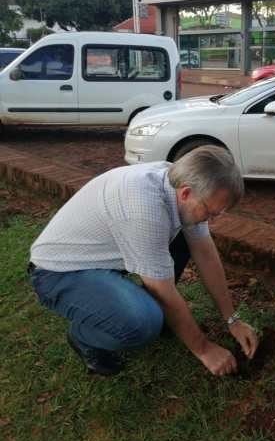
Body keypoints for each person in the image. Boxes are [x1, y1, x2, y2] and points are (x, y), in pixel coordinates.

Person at [29, 146, 259, 377]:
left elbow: (205, 253)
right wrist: (204, 349)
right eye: (210, 212)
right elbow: (162, 291)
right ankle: (84, 337)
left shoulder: (181, 181)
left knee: (184, 239)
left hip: (103, 257)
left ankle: (156, 316)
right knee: (142, 322)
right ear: (186, 193)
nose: (210, 219)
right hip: (59, 272)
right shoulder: (144, 209)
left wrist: (232, 319)